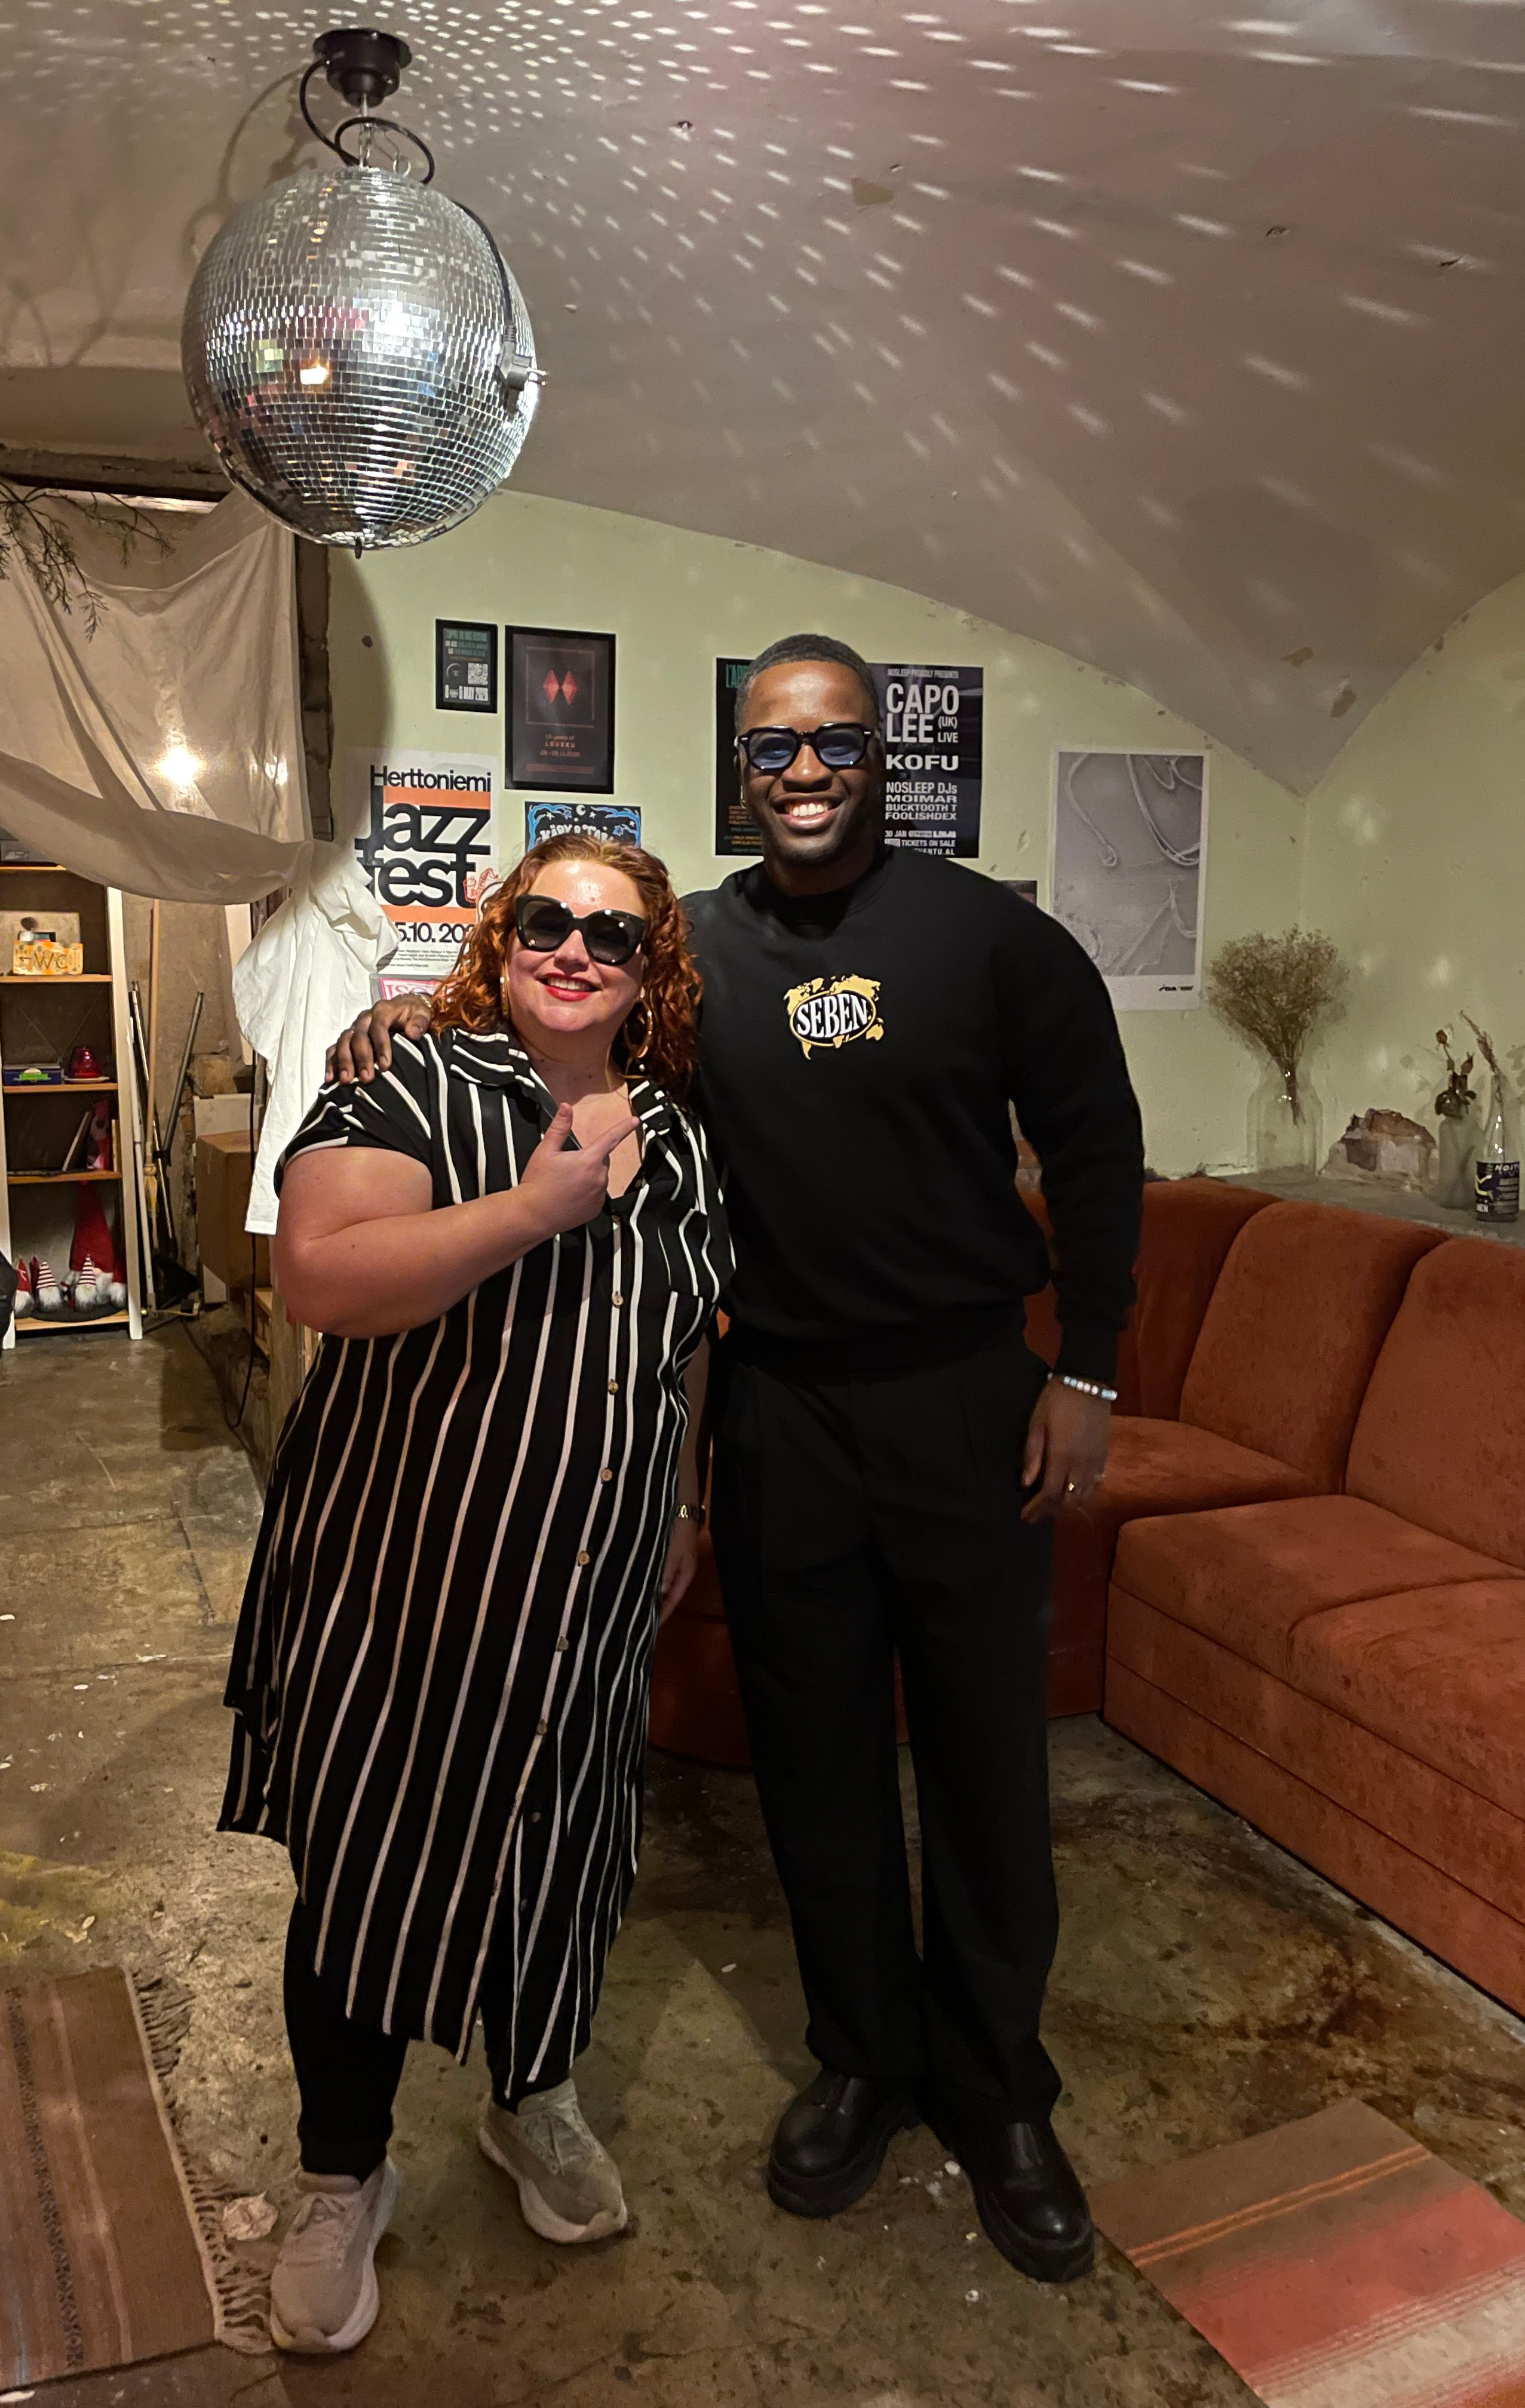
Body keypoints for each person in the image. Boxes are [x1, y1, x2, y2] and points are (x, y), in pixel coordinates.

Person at [332, 635, 1145, 2286]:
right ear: (741, 765)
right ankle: (863, 2060)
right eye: (773, 748)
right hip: (779, 1406)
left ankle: (998, 2089)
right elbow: (565, 1009)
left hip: (966, 1399)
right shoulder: (692, 948)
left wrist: (1092, 1371)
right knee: (817, 1757)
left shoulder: (996, 938)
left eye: (834, 743)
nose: (804, 773)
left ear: (881, 757)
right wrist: (418, 1011)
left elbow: (1099, 1151)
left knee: (987, 1761)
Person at [227, 834, 729, 2354]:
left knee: (564, 1851)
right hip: (407, 1573)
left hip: (593, 1580)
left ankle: (533, 2098)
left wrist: (682, 1495)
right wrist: (527, 1210)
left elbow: (686, 1339)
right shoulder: (408, 1082)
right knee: (372, 1863)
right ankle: (342, 2173)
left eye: (613, 935)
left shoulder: (681, 1139)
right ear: (502, 936)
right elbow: (320, 1275)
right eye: (548, 920)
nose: (576, 950)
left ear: (650, 974)